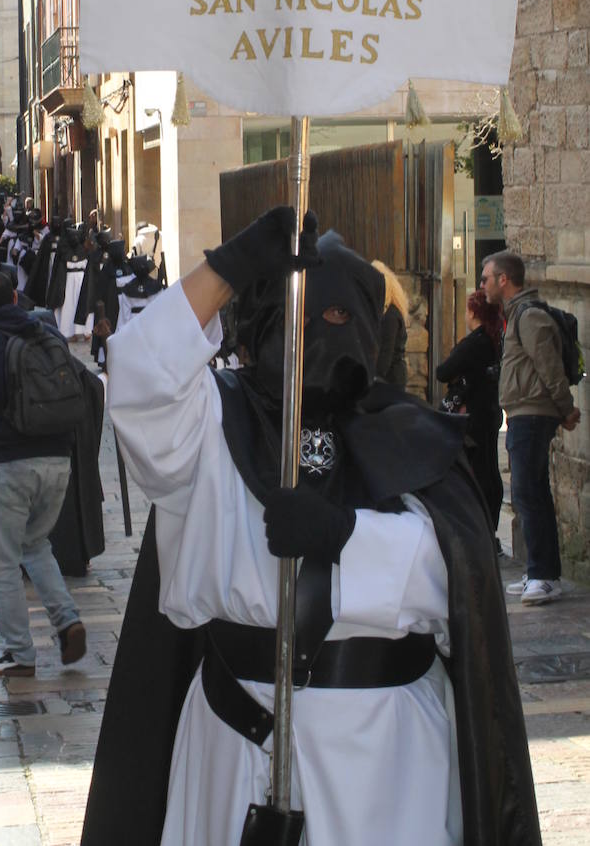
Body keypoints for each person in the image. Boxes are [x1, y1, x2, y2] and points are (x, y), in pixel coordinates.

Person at [81, 210, 541, 846]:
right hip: (234, 745)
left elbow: (459, 576)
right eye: (300, 316)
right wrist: (230, 265)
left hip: (388, 760)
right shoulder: (208, 423)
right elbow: (138, 377)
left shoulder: (415, 436)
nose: (319, 334)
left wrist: (347, 537)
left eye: (339, 314)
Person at [0, 270, 86, 676]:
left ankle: (19, 652)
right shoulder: (50, 334)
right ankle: (67, 620)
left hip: (12, 461)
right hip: (59, 458)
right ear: (15, 298)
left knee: (3, 562)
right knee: (35, 543)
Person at [481, 249, 581, 606]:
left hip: (533, 414)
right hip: (524, 413)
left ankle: (544, 575)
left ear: (503, 279)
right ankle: (540, 571)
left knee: (528, 493)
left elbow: (549, 368)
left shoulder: (529, 316)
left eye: (486, 278)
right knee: (530, 493)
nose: (483, 285)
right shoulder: (517, 314)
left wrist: (566, 410)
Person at [436, 288, 504, 539]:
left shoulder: (474, 342)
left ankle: (476, 528)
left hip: (472, 416)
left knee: (474, 473)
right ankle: (489, 528)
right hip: (491, 412)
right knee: (490, 469)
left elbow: (443, 372)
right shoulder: (495, 340)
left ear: (473, 312)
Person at [371, 258, 409, 387]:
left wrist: (374, 379)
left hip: (390, 380)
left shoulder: (390, 316)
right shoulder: (388, 313)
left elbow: (386, 354)